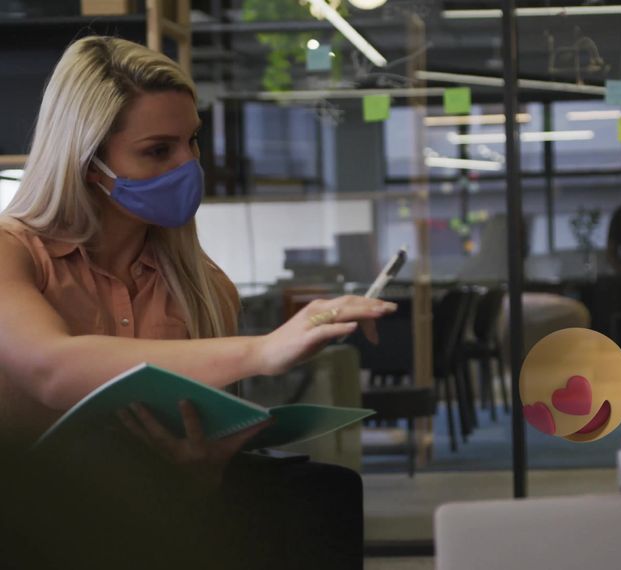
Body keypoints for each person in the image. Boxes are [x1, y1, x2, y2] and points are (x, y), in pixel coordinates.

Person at [0, 36, 392, 569]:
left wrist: (203, 467)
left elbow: (201, 439)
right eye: (159, 150)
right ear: (91, 162)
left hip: (150, 502)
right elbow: (51, 366)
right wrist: (263, 350)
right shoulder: (13, 251)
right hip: (26, 509)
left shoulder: (203, 286)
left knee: (322, 493)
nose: (189, 165)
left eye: (193, 142)